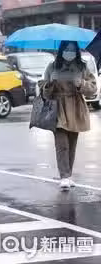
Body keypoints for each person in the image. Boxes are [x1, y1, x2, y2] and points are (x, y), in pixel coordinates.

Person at [42, 41, 97, 190]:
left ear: (77, 51)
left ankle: (68, 175)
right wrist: (49, 85)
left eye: (72, 49)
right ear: (61, 50)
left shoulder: (82, 67)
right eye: (67, 49)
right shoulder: (52, 66)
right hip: (57, 107)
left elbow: (93, 89)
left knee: (72, 144)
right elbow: (44, 91)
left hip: (76, 108)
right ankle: (64, 177)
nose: (69, 52)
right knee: (62, 144)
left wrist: (81, 84)